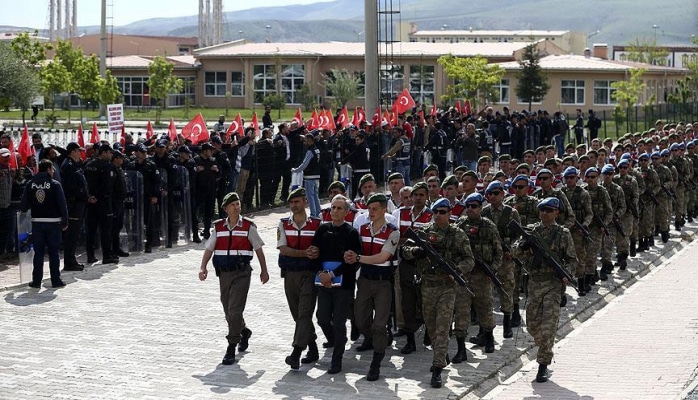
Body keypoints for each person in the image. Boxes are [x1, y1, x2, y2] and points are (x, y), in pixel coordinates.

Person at [402, 197, 474, 388]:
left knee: (443, 327)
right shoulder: (424, 232)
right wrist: (416, 251)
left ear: (450, 213)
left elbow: (469, 260)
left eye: (443, 212)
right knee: (431, 326)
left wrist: (457, 270)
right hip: (427, 285)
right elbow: (404, 250)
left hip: (447, 286)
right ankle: (440, 354)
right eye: (436, 212)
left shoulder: (458, 234)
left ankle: (437, 368)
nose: (439, 216)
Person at [198, 192, 269, 365]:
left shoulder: (248, 227)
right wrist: (203, 267)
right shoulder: (219, 228)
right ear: (225, 209)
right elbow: (209, 249)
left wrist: (264, 271)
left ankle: (231, 346)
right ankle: (243, 331)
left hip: (242, 273)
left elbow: (259, 249)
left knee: (235, 309)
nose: (236, 207)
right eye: (233, 205)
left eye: (238, 204)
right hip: (223, 273)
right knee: (227, 309)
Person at [515, 197, 578, 383]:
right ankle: (544, 347)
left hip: (553, 284)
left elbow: (573, 260)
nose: (545, 213)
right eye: (542, 209)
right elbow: (515, 250)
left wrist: (568, 274)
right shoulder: (531, 231)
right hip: (534, 283)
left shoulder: (563, 233)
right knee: (533, 325)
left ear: (557, 213)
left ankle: (543, 364)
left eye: (549, 210)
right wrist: (523, 246)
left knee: (549, 325)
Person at [343, 193, 400, 381]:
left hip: (383, 282)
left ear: (385, 209)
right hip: (365, 280)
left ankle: (376, 361)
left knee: (380, 323)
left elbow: (383, 257)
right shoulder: (363, 229)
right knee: (360, 319)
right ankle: (373, 338)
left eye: (375, 208)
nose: (371, 212)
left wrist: (359, 258)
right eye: (369, 208)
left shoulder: (392, 231)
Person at [308, 194, 362, 374]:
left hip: (343, 285)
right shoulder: (322, 230)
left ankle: (336, 359)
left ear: (347, 212)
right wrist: (321, 274)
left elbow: (352, 262)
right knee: (322, 317)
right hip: (323, 282)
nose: (335, 211)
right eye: (333, 207)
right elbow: (314, 254)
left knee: (339, 322)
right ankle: (333, 340)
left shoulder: (351, 233)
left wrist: (332, 275)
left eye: (339, 208)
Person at [277, 187, 322, 370]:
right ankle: (312, 347)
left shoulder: (317, 224)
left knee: (305, 312)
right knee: (297, 313)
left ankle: (296, 352)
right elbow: (283, 248)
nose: (294, 205)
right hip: (290, 274)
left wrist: (317, 252)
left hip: (310, 274)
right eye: (292, 202)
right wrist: (304, 253)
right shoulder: (283, 224)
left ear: (305, 202)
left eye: (298, 201)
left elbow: (323, 247)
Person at [455, 193, 502, 357]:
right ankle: (461, 349)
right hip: (464, 276)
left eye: (474, 206)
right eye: (468, 206)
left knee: (485, 309)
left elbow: (498, 253)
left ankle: (488, 338)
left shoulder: (489, 227)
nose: (470, 209)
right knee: (461, 312)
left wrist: (493, 270)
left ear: (481, 208)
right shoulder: (460, 225)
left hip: (483, 277)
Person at [21, 159, 69, 288]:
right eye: (52, 169)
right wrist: (65, 220)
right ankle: (55, 280)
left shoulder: (30, 184)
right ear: (48, 169)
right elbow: (62, 204)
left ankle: (36, 281)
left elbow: (24, 206)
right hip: (54, 223)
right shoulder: (55, 184)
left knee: (38, 253)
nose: (53, 171)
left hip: (37, 223)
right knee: (54, 252)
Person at [84, 143, 118, 264]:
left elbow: (85, 183)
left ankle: (90, 255)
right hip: (103, 201)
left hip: (91, 202)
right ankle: (107, 255)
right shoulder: (107, 166)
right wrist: (97, 197)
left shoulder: (88, 164)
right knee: (106, 230)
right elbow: (107, 185)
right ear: (103, 152)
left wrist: (89, 196)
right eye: (109, 153)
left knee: (91, 230)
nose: (111, 155)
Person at [60, 142, 89, 271]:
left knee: (75, 233)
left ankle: (71, 259)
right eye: (78, 151)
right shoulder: (69, 165)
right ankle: (69, 262)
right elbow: (70, 188)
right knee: (71, 234)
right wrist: (81, 196)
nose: (80, 153)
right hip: (74, 204)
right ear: (72, 151)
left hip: (80, 203)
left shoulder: (75, 164)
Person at [292, 133, 322, 218]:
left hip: (310, 176)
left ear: (309, 140)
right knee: (316, 196)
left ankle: (313, 214)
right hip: (317, 176)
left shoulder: (310, 151)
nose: (304, 142)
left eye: (305, 140)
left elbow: (305, 164)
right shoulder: (317, 150)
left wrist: (296, 170)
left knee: (310, 197)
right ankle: (318, 213)